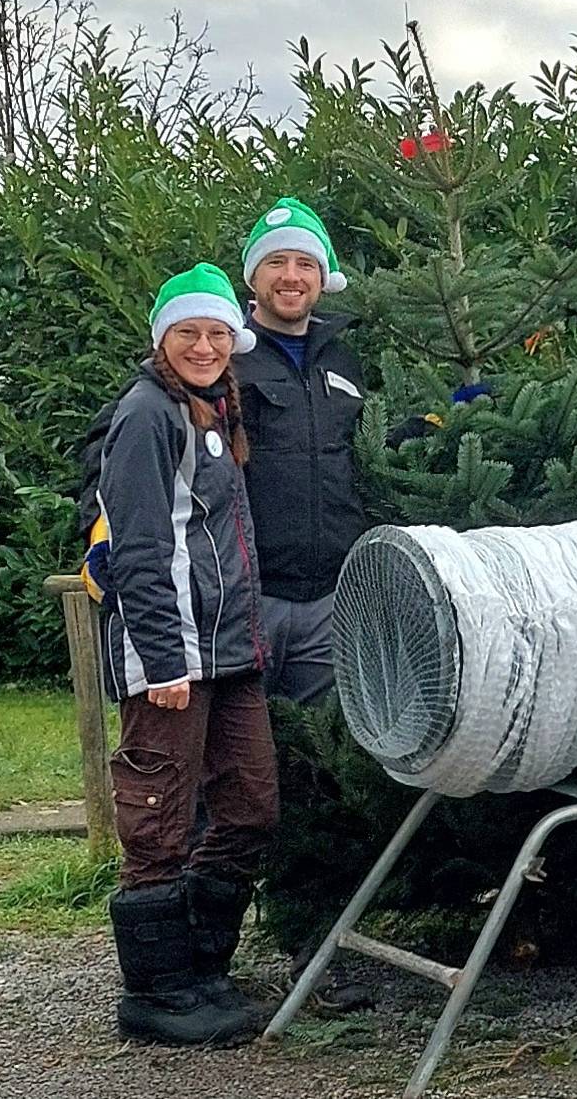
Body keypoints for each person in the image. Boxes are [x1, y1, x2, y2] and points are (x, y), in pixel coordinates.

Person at [96, 264, 275, 1046]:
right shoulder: (144, 415)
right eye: (188, 333)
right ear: (162, 338)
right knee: (158, 818)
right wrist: (163, 659)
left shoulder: (213, 406)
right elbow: (137, 545)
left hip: (231, 651)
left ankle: (203, 967)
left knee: (250, 803)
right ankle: (157, 993)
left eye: (216, 334)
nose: (204, 345)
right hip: (168, 658)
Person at [230, 197, 366, 704]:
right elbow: (127, 442)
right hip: (247, 600)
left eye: (305, 263)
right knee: (235, 759)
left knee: (322, 756)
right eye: (276, 262)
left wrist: (441, 422)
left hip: (330, 603)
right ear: (253, 276)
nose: (291, 276)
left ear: (322, 276)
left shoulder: (344, 359)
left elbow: (359, 451)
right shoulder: (220, 354)